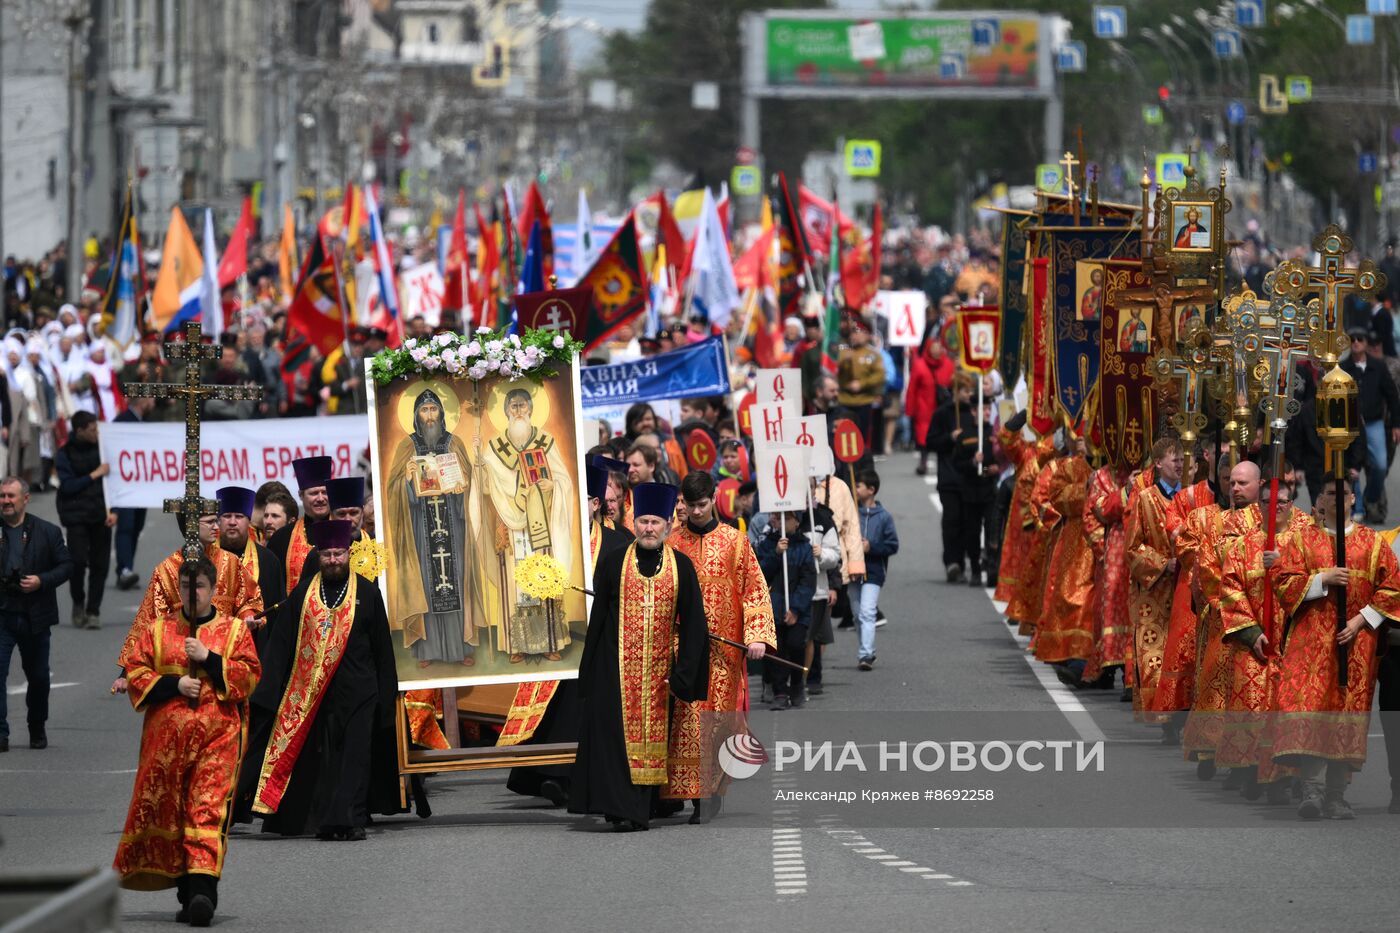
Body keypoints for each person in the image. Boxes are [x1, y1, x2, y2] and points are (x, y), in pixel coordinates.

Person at [112, 557, 260, 927]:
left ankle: (203, 894)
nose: (192, 594)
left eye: (199, 587)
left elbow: (248, 676)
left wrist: (209, 659)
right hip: (166, 742)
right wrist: (174, 684)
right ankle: (186, 894)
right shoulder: (159, 630)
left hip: (218, 737)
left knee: (205, 809)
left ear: (213, 589)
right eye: (185, 587)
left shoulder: (233, 631)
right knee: (175, 813)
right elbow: (136, 672)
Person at [242, 520, 402, 839]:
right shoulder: (303, 594)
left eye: (338, 554)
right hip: (316, 694)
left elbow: (383, 650)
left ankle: (349, 820)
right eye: (327, 554)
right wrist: (267, 691)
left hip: (361, 692)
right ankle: (326, 818)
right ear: (318, 556)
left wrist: (387, 699)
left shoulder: (368, 593)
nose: (333, 560)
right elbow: (282, 645)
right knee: (326, 760)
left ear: (348, 554)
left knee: (355, 756)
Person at [568, 482, 710, 831]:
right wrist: (591, 672)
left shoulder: (681, 566)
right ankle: (620, 809)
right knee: (614, 740)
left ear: (667, 525)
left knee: (650, 743)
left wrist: (685, 674)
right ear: (634, 524)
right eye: (643, 521)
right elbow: (599, 618)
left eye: (655, 522)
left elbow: (694, 625)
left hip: (659, 676)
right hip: (614, 670)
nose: (648, 528)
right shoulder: (615, 561)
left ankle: (640, 809)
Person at [500, 455, 634, 807]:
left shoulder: (618, 543)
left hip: (599, 641)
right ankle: (546, 773)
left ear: (595, 504)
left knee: (584, 703)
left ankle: (568, 777)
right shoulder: (550, 539)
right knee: (554, 704)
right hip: (555, 637)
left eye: (581, 500)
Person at [1271, 481, 1400, 819]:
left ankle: (1336, 794)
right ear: (1320, 499)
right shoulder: (1303, 540)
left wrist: (1361, 620)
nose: (1337, 499)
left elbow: (1392, 589)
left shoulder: (1372, 542)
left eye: (1343, 493)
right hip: (1311, 641)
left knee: (1346, 714)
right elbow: (1283, 583)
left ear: (1353, 497)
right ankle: (1311, 789)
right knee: (1313, 710)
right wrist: (1322, 579)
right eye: (1330, 493)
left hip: (1354, 642)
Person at [662, 471, 774, 823]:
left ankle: (711, 792)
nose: (696, 511)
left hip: (724, 652)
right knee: (688, 720)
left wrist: (757, 635)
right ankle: (694, 793)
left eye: (702, 504)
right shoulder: (672, 544)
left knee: (717, 721)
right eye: (690, 505)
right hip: (683, 649)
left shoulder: (735, 542)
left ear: (713, 499)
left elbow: (754, 590)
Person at [477, 386, 576, 663]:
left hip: (540, 521)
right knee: (514, 583)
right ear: (506, 411)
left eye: (523, 405)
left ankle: (549, 642)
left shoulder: (546, 441)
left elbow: (564, 480)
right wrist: (478, 465)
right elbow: (485, 488)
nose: (518, 411)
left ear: (531, 409)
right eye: (513, 406)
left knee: (543, 578)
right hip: (510, 524)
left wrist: (553, 485)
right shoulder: (495, 447)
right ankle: (516, 645)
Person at [0, 476, 71, 752]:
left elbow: (66, 566)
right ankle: (1, 733)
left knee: (39, 677)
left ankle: (37, 724)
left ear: (25, 499)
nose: (6, 501)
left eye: (11, 496)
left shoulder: (47, 532)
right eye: (2, 496)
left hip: (35, 616)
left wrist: (41, 580)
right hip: (3, 615)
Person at [1124, 437, 1187, 719]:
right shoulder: (1146, 499)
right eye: (1175, 460)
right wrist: (1163, 564)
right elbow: (1132, 547)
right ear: (1159, 463)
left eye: (1183, 460)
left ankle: (1180, 713)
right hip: (1155, 591)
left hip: (1185, 588)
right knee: (1156, 653)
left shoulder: (1190, 498)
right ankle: (1163, 716)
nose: (1180, 465)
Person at [1032, 432, 1096, 670]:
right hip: (1077, 542)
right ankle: (1074, 653)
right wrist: (1089, 487)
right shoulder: (1070, 467)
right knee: (1075, 596)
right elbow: (1057, 496)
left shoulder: (1117, 472)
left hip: (1109, 542)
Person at [54, 410, 114, 629]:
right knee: (77, 562)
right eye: (92, 430)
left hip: (101, 514)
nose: (96, 433)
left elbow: (116, 484)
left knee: (100, 565)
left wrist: (115, 511)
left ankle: (93, 611)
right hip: (76, 515)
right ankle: (78, 601)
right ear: (79, 431)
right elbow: (68, 486)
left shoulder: (104, 451)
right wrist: (95, 474)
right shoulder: (65, 454)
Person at [753, 510, 814, 710]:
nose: (782, 522)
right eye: (780, 518)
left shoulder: (804, 547)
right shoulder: (767, 544)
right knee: (776, 651)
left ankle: (796, 684)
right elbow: (760, 574)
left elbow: (808, 581)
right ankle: (779, 691)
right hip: (773, 606)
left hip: (798, 611)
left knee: (796, 645)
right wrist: (776, 554)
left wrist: (796, 609)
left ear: (797, 522)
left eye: (787, 518)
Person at [215, 485, 285, 657]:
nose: (232, 522)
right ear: (218, 521)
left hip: (256, 652)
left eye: (239, 516)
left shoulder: (268, 561)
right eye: (227, 516)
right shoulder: (205, 558)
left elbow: (277, 619)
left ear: (249, 521)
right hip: (212, 649)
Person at [1340, 328, 1400, 524]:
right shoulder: (1343, 367)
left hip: (1374, 422)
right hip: (1350, 424)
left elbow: (1392, 395)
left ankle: (1370, 497)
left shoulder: (1378, 366)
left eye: (1360, 339)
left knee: (1381, 465)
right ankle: (1354, 506)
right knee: (1351, 466)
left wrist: (1396, 425)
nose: (1356, 342)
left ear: (1366, 343)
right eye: (1352, 339)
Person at [266, 455, 333, 591]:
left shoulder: (345, 532)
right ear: (301, 495)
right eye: (314, 493)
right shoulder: (281, 539)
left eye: (324, 492)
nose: (320, 498)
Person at [853, 469, 898, 671]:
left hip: (874, 571)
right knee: (856, 615)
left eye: (859, 486)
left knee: (867, 612)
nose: (856, 489)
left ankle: (866, 654)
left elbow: (892, 545)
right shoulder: (851, 513)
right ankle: (866, 648)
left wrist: (871, 547)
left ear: (871, 490)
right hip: (853, 570)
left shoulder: (884, 517)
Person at [112, 395, 156, 590]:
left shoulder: (145, 422)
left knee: (136, 526)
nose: (153, 402)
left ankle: (126, 567)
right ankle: (124, 570)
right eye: (151, 398)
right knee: (126, 526)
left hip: (141, 485)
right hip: (125, 485)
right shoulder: (122, 422)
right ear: (142, 400)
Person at [836, 316, 886, 449]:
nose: (855, 336)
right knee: (845, 435)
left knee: (862, 434)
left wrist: (862, 384)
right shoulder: (842, 352)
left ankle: (862, 457)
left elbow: (880, 376)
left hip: (864, 400)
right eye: (853, 332)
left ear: (867, 335)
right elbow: (831, 371)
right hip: (844, 400)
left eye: (859, 332)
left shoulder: (873, 354)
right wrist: (842, 361)